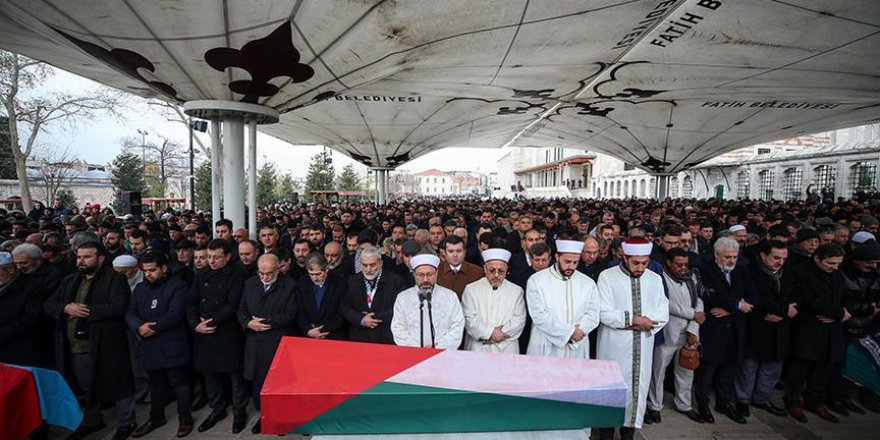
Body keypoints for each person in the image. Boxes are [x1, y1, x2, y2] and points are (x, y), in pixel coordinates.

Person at [43, 241, 137, 440]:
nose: (82, 261)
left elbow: (118, 306)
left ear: (100, 258)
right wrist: (66, 308)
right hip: (76, 345)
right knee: (87, 385)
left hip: (106, 342)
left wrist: (85, 312)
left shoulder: (114, 279)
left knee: (119, 384)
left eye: (87, 257)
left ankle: (126, 421)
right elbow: (49, 304)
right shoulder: (70, 280)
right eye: (79, 257)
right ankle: (93, 419)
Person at [596, 238, 669, 440]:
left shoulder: (654, 279)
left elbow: (663, 312)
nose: (640, 267)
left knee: (637, 391)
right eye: (636, 262)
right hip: (614, 345)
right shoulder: (607, 277)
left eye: (644, 263)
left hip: (643, 345)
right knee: (610, 389)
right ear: (624, 257)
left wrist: (644, 323)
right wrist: (635, 320)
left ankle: (629, 433)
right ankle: (606, 434)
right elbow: (603, 312)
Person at [125, 252, 193, 438]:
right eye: (145, 270)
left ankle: (185, 419)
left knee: (179, 383)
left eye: (152, 270)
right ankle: (156, 417)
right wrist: (138, 326)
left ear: (164, 268)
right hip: (148, 345)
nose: (149, 274)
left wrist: (151, 327)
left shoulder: (178, 286)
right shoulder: (140, 288)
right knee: (155, 384)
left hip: (171, 343)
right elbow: (130, 312)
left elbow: (175, 313)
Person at [186, 239, 248, 434]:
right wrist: (195, 324)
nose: (212, 261)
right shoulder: (201, 274)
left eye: (216, 257)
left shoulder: (238, 274)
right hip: (203, 332)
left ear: (228, 257)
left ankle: (239, 411)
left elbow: (232, 305)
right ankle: (217, 408)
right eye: (209, 257)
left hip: (226, 331)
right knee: (209, 374)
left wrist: (210, 322)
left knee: (234, 375)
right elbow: (191, 302)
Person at [784, 243, 850, 423]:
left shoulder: (837, 275)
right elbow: (807, 300)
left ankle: (815, 401)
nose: (834, 267)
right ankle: (792, 401)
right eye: (830, 263)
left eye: (837, 264)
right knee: (800, 369)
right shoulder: (801, 272)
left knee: (824, 369)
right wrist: (839, 314)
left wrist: (839, 316)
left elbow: (845, 296)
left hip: (831, 329)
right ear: (817, 258)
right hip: (808, 328)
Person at [695, 237, 754, 424]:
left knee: (729, 367)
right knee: (708, 368)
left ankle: (724, 402)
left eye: (734, 257)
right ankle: (703, 404)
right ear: (716, 254)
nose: (731, 261)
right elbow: (709, 295)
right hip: (713, 328)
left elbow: (753, 295)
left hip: (735, 328)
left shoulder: (742, 270)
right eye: (727, 257)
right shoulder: (705, 269)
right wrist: (737, 304)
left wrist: (730, 308)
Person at [237, 254, 298, 434]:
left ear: (278, 269)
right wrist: (248, 323)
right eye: (261, 273)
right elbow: (241, 310)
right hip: (255, 342)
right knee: (259, 383)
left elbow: (291, 314)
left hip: (278, 342)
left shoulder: (290, 285)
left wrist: (267, 322)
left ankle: (281, 418)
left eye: (269, 273)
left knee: (280, 384)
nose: (264, 277)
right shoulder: (250, 284)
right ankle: (264, 416)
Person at [736, 240, 795, 418]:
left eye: (783, 258)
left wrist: (786, 313)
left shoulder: (788, 273)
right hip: (757, 324)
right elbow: (754, 297)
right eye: (776, 257)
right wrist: (783, 310)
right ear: (763, 255)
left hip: (780, 327)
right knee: (749, 367)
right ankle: (742, 400)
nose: (780, 262)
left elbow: (797, 294)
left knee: (772, 368)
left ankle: (762, 399)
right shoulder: (749, 272)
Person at [646, 248, 705, 425]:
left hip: (689, 334)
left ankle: (684, 404)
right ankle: (654, 405)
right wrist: (692, 314)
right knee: (659, 371)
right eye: (678, 264)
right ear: (669, 263)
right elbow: (667, 304)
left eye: (685, 264)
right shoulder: (660, 278)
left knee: (686, 370)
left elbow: (699, 302)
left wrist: (693, 327)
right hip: (667, 332)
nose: (682, 268)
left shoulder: (691, 277)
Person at [526, 239, 600, 359]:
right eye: (567, 261)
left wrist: (580, 331)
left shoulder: (588, 283)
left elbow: (593, 314)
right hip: (546, 345)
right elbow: (539, 315)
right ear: (557, 256)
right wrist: (569, 333)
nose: (571, 266)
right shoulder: (536, 280)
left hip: (577, 345)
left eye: (575, 262)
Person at [392, 253, 465, 349]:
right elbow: (398, 328)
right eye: (420, 275)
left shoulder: (450, 297)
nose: (425, 279)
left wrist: (437, 347)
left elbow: (457, 326)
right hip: (412, 353)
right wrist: (418, 348)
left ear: (436, 273)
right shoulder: (403, 298)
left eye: (430, 274)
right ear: (413, 274)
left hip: (443, 354)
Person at [461, 248, 526, 354]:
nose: (496, 275)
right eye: (492, 270)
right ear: (485, 269)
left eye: (501, 271)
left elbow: (519, 319)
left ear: (506, 270)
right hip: (478, 347)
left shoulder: (516, 291)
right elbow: (469, 319)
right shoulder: (471, 289)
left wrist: (500, 334)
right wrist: (490, 333)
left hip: (506, 347)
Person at [341, 247, 406, 344]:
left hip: (385, 336)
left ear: (380, 263)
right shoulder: (353, 281)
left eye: (372, 265)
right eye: (364, 265)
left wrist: (372, 319)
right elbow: (345, 306)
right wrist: (361, 319)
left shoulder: (396, 281)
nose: (368, 269)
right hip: (359, 337)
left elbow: (399, 308)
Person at [296, 253, 348, 341]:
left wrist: (322, 329)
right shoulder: (302, 283)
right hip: (309, 335)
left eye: (318, 274)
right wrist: (308, 330)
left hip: (333, 335)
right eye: (311, 274)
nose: (314, 278)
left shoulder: (340, 283)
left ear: (327, 269)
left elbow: (343, 311)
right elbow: (299, 310)